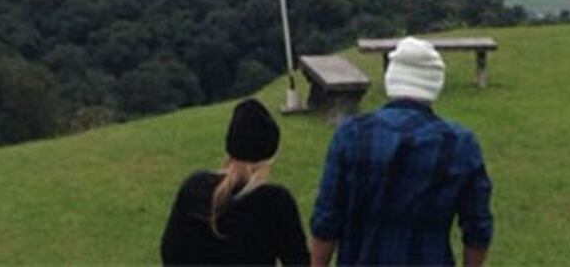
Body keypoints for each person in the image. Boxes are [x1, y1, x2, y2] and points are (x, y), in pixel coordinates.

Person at [310, 37, 493, 266]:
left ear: (392, 79)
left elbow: (326, 222)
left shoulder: (350, 135)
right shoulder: (459, 145)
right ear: (434, 84)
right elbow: (478, 228)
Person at [161, 98, 308, 265]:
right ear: (269, 156)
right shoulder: (276, 203)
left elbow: (170, 254)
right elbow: (299, 261)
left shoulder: (193, 189)